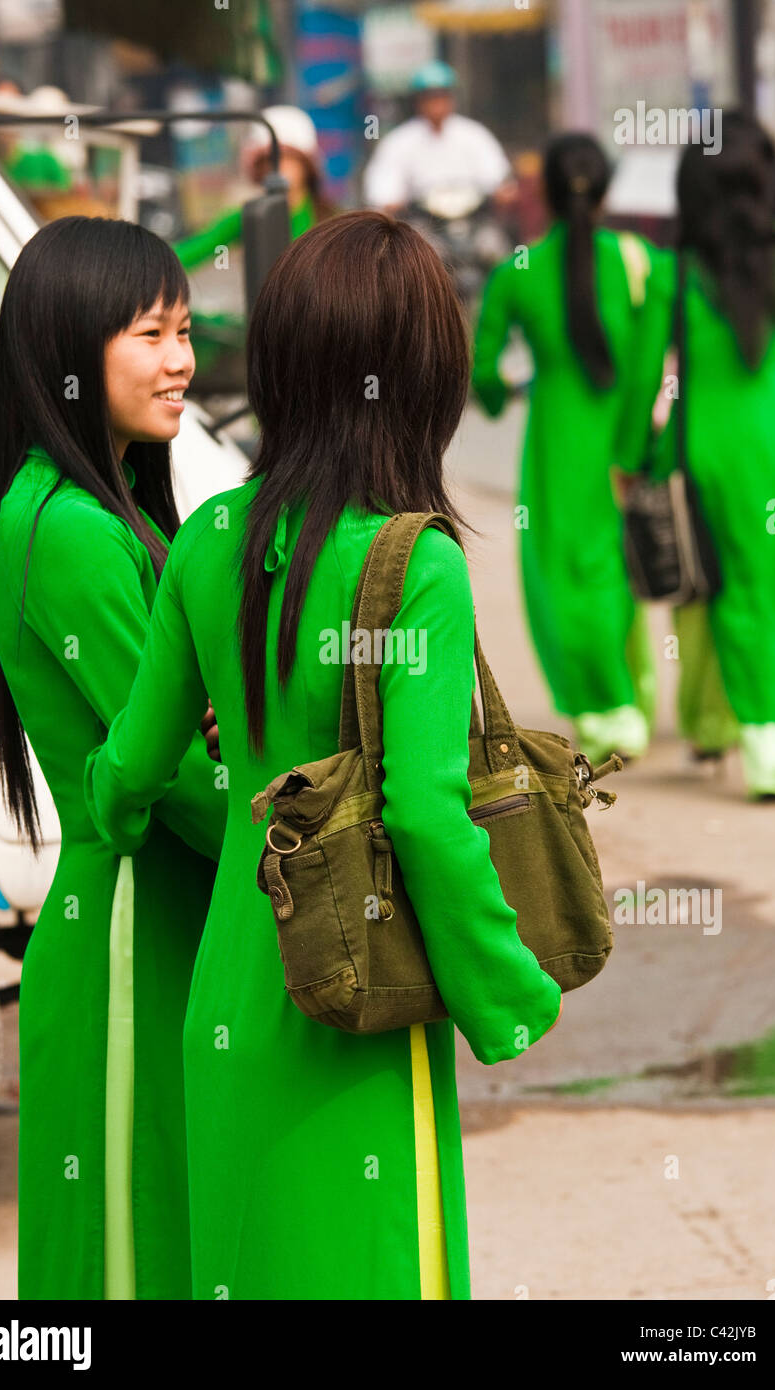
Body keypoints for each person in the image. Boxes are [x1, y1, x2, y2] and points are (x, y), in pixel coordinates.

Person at [83, 209, 563, 1300]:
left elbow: (131, 770)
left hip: (228, 995)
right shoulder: (414, 565)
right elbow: (428, 817)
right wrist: (508, 995)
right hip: (353, 1000)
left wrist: (98, 802)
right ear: (421, 375)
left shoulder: (207, 539)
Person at [0, 217, 227, 1298]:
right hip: (128, 920)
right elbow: (167, 765)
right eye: (149, 333)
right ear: (70, 350)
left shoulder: (89, 504)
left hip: (149, 910)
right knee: (126, 1258)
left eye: (183, 330)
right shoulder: (77, 528)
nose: (181, 360)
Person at [617, 119, 775, 800]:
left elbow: (644, 383)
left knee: (703, 594)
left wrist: (628, 459)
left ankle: (720, 726)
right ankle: (770, 741)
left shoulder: (673, 272)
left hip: (696, 455)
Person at [472, 132, 656, 764]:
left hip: (554, 448)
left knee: (554, 576)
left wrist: (506, 392)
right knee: (609, 570)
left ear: (544, 193)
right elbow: (655, 359)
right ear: (606, 190)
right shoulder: (639, 262)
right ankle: (628, 702)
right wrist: (632, 452)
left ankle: (596, 706)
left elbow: (484, 371)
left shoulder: (516, 274)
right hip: (621, 444)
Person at [173, 105, 331, 270]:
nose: (279, 166)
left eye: (289, 157)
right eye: (269, 159)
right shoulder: (251, 218)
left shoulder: (329, 220)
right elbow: (198, 248)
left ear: (306, 164)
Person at [362, 61, 513, 214]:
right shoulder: (399, 141)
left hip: (474, 220)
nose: (437, 103)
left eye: (442, 96)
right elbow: (384, 183)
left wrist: (501, 190)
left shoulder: (474, 134)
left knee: (495, 238)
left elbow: (496, 174)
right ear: (419, 101)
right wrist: (389, 200)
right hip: (422, 223)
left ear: (451, 98)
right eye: (430, 97)